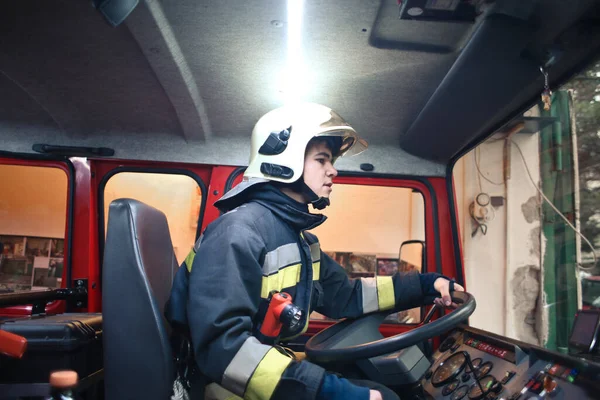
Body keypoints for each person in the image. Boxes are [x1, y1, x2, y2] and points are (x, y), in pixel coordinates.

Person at [166, 103, 464, 400]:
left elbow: (346, 296)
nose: (333, 170)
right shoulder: (238, 232)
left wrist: (426, 285)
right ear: (285, 160)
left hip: (251, 370)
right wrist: (330, 392)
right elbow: (224, 350)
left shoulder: (301, 242)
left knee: (381, 390)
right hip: (215, 383)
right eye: (322, 159)